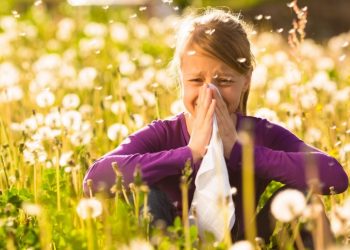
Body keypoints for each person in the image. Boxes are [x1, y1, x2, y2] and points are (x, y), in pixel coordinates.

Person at [83, 8, 348, 243]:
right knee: (147, 195)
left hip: (245, 243)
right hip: (172, 240)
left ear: (246, 80)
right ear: (181, 80)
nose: (210, 93)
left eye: (224, 81)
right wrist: (189, 154)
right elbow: (95, 180)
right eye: (196, 81)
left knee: (305, 199)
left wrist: (241, 152)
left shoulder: (259, 133)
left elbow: (334, 176)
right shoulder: (164, 133)